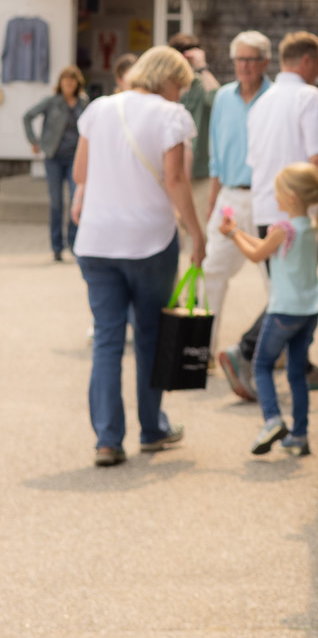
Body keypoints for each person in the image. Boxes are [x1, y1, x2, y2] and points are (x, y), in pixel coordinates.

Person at [70, 45, 206, 468]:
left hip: (97, 241)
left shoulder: (99, 109)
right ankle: (152, 429)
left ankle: (107, 440)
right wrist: (197, 232)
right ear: (168, 79)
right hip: (150, 241)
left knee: (107, 340)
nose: (181, 94)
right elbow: (176, 179)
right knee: (150, 336)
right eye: (180, 85)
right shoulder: (171, 115)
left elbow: (79, 174)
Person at [218, 30, 318, 399]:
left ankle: (298, 365)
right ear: (307, 60)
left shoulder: (262, 102)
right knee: (295, 293)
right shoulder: (308, 96)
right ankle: (246, 352)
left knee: (287, 291)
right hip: (298, 212)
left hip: (266, 207)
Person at [217, 161, 318, 456]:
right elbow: (265, 246)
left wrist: (233, 236)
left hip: (283, 312)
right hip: (309, 312)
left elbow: (257, 255)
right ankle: (300, 435)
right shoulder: (311, 226)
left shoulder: (283, 229)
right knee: (296, 373)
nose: (275, 197)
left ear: (291, 197)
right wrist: (238, 232)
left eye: (278, 192)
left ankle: (272, 420)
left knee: (261, 366)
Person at [200, 31, 273, 363]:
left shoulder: (275, 98)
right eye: (239, 59)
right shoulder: (223, 98)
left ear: (265, 62)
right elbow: (216, 152)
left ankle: (273, 352)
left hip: (266, 199)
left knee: (274, 282)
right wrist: (212, 200)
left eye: (251, 59)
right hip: (229, 197)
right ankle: (203, 351)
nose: (244, 66)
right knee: (212, 271)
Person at [23, 64, 89, 260]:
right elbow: (27, 116)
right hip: (54, 157)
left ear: (77, 83)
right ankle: (57, 246)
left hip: (74, 157)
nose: (69, 84)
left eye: (72, 80)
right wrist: (34, 141)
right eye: (65, 80)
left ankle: (74, 244)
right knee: (56, 203)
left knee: (75, 199)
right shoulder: (52, 102)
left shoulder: (83, 102)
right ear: (60, 83)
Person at [168, 32, 219, 224]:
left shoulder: (201, 84)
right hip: (171, 171)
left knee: (201, 227)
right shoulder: (166, 87)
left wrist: (202, 67)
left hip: (201, 172)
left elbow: (218, 102)